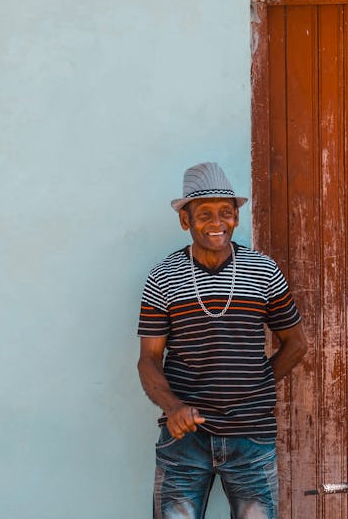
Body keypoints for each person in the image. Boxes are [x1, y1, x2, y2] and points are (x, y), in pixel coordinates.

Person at [137, 162, 307, 519]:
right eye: (205, 214)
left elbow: (296, 344)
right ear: (186, 221)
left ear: (236, 218)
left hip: (252, 437)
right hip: (184, 439)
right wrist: (173, 408)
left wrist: (254, 386)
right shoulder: (163, 278)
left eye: (225, 213)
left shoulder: (263, 271)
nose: (217, 223)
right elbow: (148, 360)